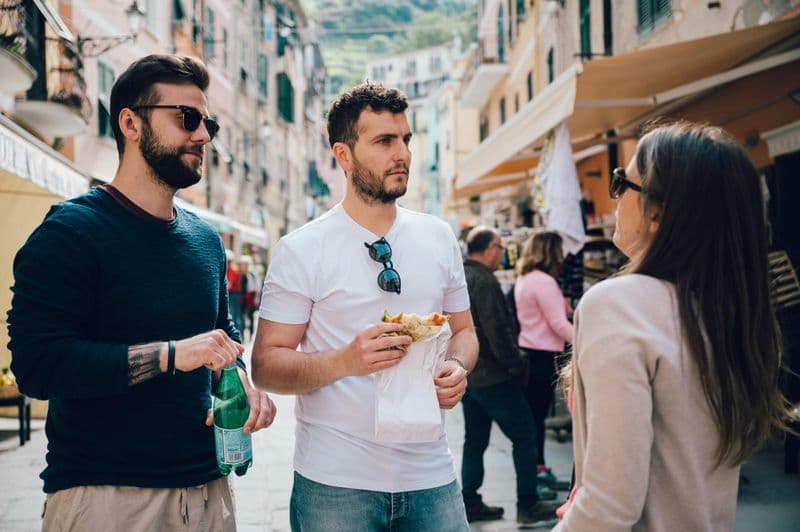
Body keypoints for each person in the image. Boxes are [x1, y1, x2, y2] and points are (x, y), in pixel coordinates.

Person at [7, 54, 276, 532]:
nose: (204, 136)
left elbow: (224, 340)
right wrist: (173, 354)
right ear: (130, 123)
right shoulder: (70, 233)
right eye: (187, 119)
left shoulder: (206, 240)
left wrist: (241, 385)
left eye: (207, 122)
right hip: (109, 499)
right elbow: (37, 367)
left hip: (210, 493)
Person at [251, 82, 479, 532]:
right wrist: (347, 361)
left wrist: (456, 367)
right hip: (335, 485)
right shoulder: (301, 249)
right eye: (383, 141)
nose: (403, 154)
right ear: (343, 155)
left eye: (406, 140)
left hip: (432, 476)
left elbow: (465, 332)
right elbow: (265, 366)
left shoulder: (438, 238)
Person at [554, 122, 792, 531]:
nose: (614, 198)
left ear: (658, 214)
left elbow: (610, 507)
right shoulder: (728, 313)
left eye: (620, 182)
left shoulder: (619, 305)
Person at [461, 226, 560, 525]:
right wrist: (517, 365)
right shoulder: (485, 281)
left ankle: (470, 501)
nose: (502, 254)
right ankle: (527, 504)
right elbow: (498, 331)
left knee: (474, 440)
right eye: (501, 248)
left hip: (470, 374)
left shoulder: (462, 276)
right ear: (490, 248)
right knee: (525, 437)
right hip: (495, 377)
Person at [514, 231, 573, 491]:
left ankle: (537, 469)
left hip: (529, 351)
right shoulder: (544, 282)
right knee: (536, 417)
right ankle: (537, 473)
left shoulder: (525, 279)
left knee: (533, 418)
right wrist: (589, 339)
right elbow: (559, 324)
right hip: (543, 355)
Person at [239, 255, 261, 341]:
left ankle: (251, 334)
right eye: (243, 264)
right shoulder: (240, 274)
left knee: (251, 316)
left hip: (251, 297)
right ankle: (242, 334)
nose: (245, 266)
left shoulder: (253, 274)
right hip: (242, 297)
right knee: (241, 316)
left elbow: (257, 287)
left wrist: (257, 298)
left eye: (246, 264)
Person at [226, 251, 244, 333]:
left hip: (234, 295)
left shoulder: (232, 270)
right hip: (234, 294)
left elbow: (229, 285)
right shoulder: (231, 269)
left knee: (234, 315)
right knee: (235, 315)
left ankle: (237, 334)